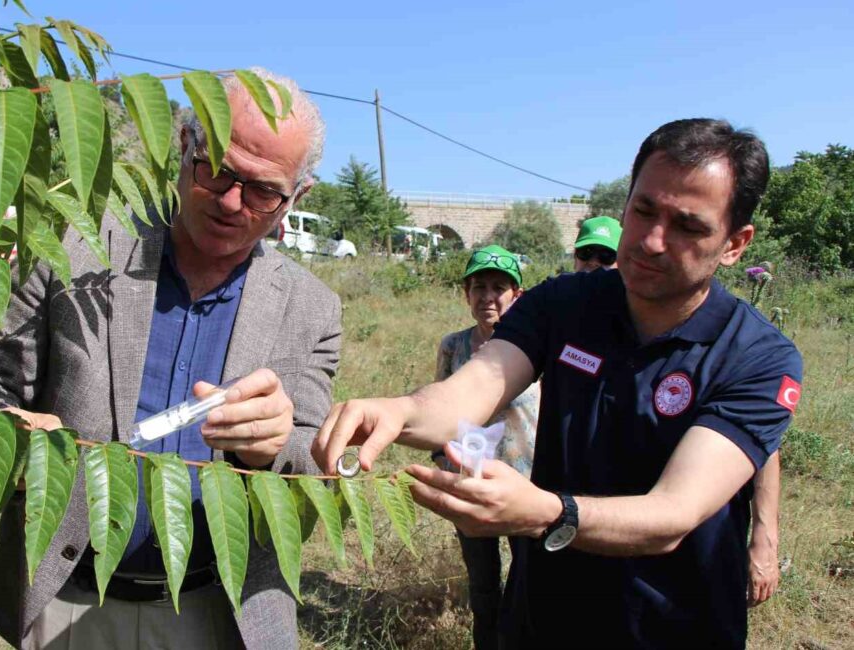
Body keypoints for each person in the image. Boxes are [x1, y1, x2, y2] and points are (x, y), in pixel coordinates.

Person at [313, 118, 801, 648]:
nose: (653, 241)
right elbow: (473, 389)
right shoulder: (563, 304)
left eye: (688, 226)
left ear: (734, 243)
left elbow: (673, 514)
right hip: (543, 618)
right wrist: (400, 413)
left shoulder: (757, 357)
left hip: (673, 625)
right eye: (643, 211)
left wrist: (549, 512)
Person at [0, 68, 341, 649]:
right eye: (216, 169)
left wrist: (276, 445)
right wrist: (8, 432)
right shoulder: (74, 248)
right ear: (185, 143)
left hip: (219, 617)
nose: (232, 203)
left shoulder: (312, 309)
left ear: (298, 196)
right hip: (68, 602)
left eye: (262, 191)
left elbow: (316, 468)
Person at [575, 216, 782, 608]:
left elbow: (761, 443)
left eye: (605, 256)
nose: (595, 266)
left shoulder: (740, 346)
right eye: (586, 256)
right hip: (573, 567)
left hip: (682, 580)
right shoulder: (568, 314)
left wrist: (765, 535)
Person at [432, 245, 538, 649]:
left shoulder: (535, 348)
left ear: (517, 295)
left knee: (527, 583)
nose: (487, 297)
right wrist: (444, 460)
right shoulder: (453, 347)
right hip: (470, 486)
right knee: (483, 586)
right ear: (466, 294)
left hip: (526, 487)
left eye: (499, 287)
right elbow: (439, 407)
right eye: (478, 287)